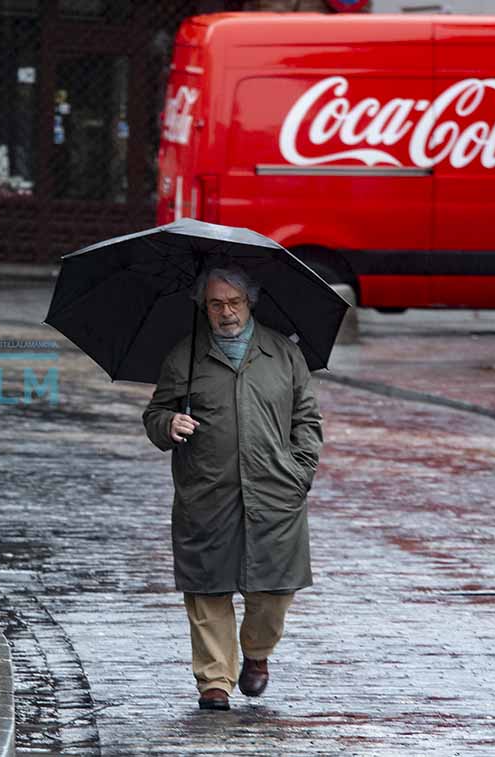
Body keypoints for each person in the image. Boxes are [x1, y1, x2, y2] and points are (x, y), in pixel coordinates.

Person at [142, 265, 322, 711]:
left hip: (275, 492)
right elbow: (155, 414)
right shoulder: (184, 356)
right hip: (207, 492)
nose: (226, 312)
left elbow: (308, 421)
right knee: (207, 588)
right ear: (204, 307)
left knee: (274, 590)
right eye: (216, 304)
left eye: (234, 303)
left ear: (250, 302)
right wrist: (169, 423)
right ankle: (215, 680)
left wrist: (299, 473)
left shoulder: (283, 353)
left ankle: (257, 653)